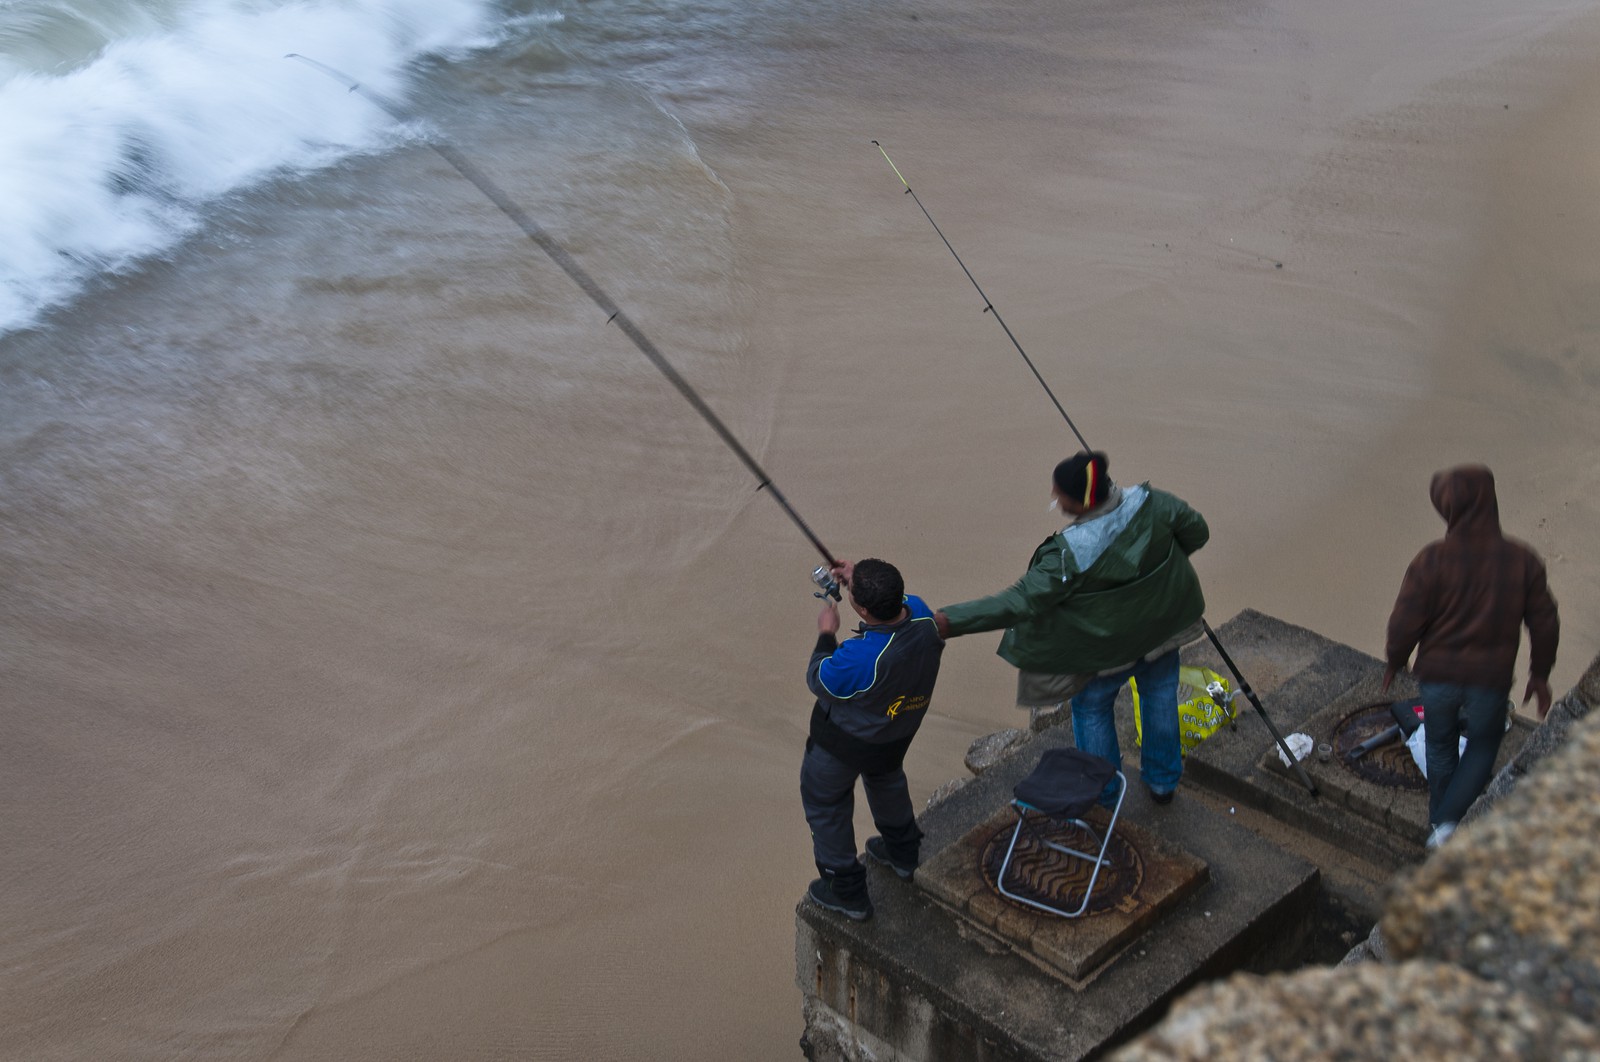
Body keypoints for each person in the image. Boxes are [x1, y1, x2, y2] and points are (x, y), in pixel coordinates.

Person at [934, 451, 1209, 804]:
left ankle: (1105, 793)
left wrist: (951, 620)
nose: (1054, 497)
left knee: (1092, 710)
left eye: (1059, 495)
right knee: (1159, 697)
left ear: (1080, 503)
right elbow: (1197, 533)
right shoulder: (1155, 504)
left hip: (1102, 654)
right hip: (1161, 632)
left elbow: (1018, 602)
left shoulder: (1067, 555)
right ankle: (1163, 783)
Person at [1383, 464, 1559, 850]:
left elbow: (1405, 621)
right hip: (1489, 681)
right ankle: (1448, 823)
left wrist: (1395, 660)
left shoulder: (1431, 560)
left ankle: (1441, 824)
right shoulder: (1521, 560)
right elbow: (1544, 622)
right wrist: (1539, 674)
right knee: (1483, 743)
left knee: (1440, 745)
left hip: (1437, 678)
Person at [802, 558, 944, 921]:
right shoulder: (924, 617)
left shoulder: (864, 657)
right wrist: (857, 578)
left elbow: (819, 679)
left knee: (826, 803)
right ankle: (903, 853)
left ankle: (845, 890)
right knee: (886, 780)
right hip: (897, 732)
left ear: (863, 610)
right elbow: (897, 601)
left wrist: (827, 632)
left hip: (843, 745)